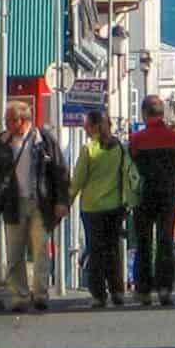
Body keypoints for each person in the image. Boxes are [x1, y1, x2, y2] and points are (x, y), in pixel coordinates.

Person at [0, 98, 69, 313]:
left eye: (11, 120)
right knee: (14, 251)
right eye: (7, 120)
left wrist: (61, 201)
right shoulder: (2, 142)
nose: (7, 124)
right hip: (13, 203)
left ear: (24, 120)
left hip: (40, 202)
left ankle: (40, 294)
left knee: (41, 250)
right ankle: (19, 295)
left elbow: (59, 172)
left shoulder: (43, 140)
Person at [70, 107, 137, 310]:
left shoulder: (89, 150)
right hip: (115, 206)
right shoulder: (119, 148)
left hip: (91, 208)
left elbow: (78, 180)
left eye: (87, 124)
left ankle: (99, 294)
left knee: (95, 251)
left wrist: (66, 201)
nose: (85, 127)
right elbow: (128, 175)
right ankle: (117, 291)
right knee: (112, 251)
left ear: (94, 127)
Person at [127, 93, 175, 307]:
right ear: (162, 114)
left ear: (144, 114)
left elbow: (131, 170)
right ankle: (164, 288)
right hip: (168, 194)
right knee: (165, 240)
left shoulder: (136, 140)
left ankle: (143, 289)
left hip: (144, 195)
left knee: (143, 242)